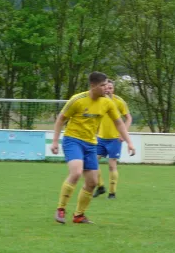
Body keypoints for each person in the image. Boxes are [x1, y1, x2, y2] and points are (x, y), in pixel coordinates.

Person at [51, 72, 136, 224]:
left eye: (106, 85)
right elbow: (60, 119)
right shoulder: (77, 100)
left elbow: (119, 123)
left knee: (92, 182)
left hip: (91, 143)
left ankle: (79, 215)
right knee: (76, 172)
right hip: (73, 140)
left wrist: (129, 142)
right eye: (102, 85)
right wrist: (55, 141)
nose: (106, 89)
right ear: (93, 86)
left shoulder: (107, 103)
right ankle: (61, 209)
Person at [93, 79, 132, 199]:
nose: (108, 90)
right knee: (93, 162)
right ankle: (100, 187)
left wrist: (123, 133)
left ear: (113, 89)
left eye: (110, 88)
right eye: (106, 87)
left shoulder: (119, 102)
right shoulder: (99, 101)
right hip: (101, 138)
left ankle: (112, 193)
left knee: (111, 165)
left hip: (115, 139)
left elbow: (128, 118)